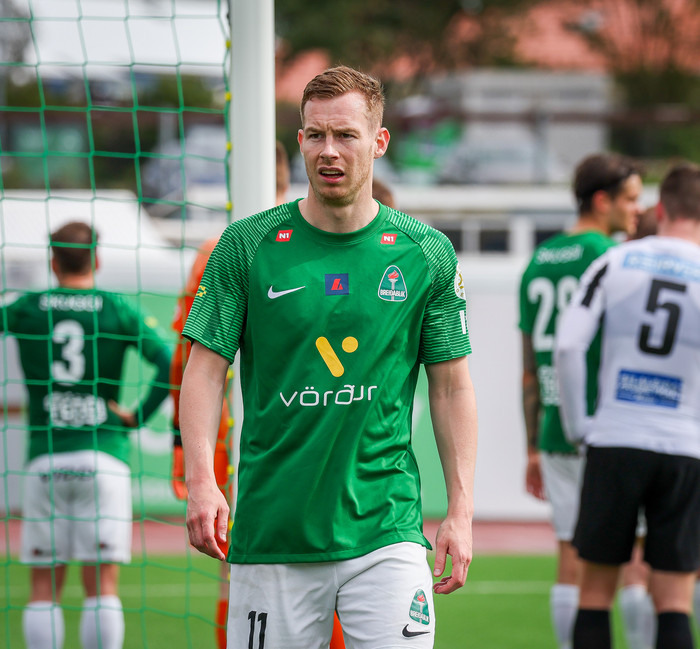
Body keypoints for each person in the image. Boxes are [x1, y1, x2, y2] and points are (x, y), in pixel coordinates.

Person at [178, 65, 478, 649]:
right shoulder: (245, 246)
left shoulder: (426, 252)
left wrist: (461, 510)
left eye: (345, 135)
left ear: (379, 141)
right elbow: (205, 372)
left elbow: (452, 387)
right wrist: (201, 482)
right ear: (300, 140)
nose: (329, 151)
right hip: (272, 531)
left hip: (386, 529)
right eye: (315, 135)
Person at [168, 139, 357, 649]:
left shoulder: (217, 249)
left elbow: (184, 361)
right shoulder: (265, 245)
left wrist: (182, 448)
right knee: (336, 559)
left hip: (241, 438)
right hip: (295, 435)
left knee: (241, 570)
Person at [1, 221, 171, 649]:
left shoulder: (27, 307)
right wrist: (138, 416)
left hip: (45, 458)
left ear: (52, 260)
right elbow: (171, 363)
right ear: (96, 258)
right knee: (101, 586)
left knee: (43, 587)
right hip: (103, 458)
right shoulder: (116, 308)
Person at [555, 162, 700, 649]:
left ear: (662, 209)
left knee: (596, 594)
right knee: (675, 601)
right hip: (685, 445)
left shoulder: (616, 261)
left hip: (615, 437)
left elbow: (568, 346)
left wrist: (579, 426)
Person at [518, 153, 650, 649]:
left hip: (556, 429)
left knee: (570, 557)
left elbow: (528, 368)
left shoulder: (538, 260)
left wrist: (533, 445)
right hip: (611, 423)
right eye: (631, 199)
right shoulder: (613, 257)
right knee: (635, 559)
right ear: (602, 200)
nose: (637, 209)